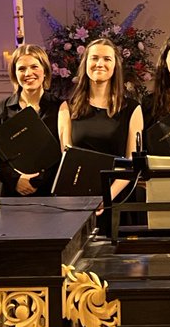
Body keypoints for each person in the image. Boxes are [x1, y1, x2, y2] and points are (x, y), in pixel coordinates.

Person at [57, 37, 143, 205]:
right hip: (79, 198)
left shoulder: (132, 109)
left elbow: (131, 163)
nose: (100, 63)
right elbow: (67, 161)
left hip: (118, 198)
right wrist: (85, 199)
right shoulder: (67, 108)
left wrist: (106, 197)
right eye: (94, 58)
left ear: (115, 66)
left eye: (107, 59)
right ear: (85, 63)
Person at [0, 43, 62, 198]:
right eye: (21, 69)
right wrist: (16, 180)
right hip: (11, 191)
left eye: (34, 67)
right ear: (14, 74)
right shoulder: (2, 108)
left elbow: (62, 152)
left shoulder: (60, 107)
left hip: (48, 192)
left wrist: (36, 182)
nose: (28, 73)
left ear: (45, 71)